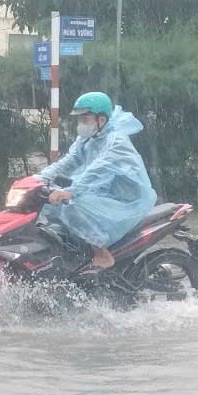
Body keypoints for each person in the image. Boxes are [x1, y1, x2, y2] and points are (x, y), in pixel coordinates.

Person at [38, 91, 157, 270]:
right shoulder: (87, 139)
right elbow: (67, 162)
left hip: (126, 201)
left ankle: (102, 254)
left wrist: (71, 191)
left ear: (101, 120)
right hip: (102, 195)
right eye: (80, 120)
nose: (81, 124)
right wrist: (37, 179)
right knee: (46, 203)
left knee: (72, 205)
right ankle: (69, 251)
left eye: (85, 119)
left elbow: (97, 171)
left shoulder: (116, 141)